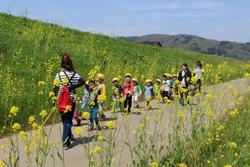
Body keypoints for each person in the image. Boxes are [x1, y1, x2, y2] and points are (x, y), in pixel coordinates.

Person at [53, 53, 85, 150]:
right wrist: (72, 86)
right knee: (68, 120)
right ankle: (66, 141)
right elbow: (82, 81)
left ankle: (67, 137)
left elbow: (55, 88)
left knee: (65, 120)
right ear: (70, 63)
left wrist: (55, 99)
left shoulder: (58, 75)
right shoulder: (74, 74)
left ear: (62, 63)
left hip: (61, 100)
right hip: (71, 100)